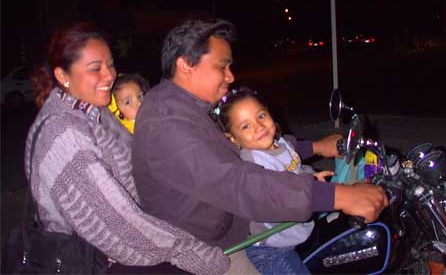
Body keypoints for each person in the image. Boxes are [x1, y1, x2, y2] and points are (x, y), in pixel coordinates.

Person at [132, 18, 388, 273]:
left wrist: (315, 147)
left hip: (238, 224)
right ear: (186, 65)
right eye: (223, 67)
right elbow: (238, 182)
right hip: (211, 249)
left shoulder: (190, 106)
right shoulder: (165, 123)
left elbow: (250, 151)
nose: (230, 76)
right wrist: (339, 196)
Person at [26, 21, 230, 275]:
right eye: (95, 68)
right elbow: (115, 223)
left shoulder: (94, 111)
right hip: (102, 263)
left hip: (136, 247)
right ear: (63, 76)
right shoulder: (62, 133)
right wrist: (188, 251)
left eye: (110, 64)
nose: (110, 75)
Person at [210, 86, 336, 274]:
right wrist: (309, 181)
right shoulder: (251, 163)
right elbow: (276, 192)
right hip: (268, 246)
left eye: (260, 116)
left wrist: (317, 156)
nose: (259, 127)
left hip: (292, 230)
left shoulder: (277, 142)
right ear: (233, 140)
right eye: (246, 126)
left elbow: (292, 157)